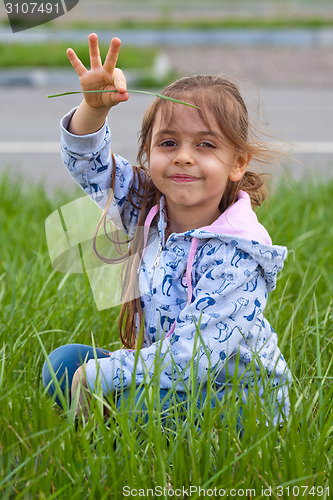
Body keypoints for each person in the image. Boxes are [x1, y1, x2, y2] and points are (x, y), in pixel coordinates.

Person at [42, 33, 291, 423]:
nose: (184, 158)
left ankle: (115, 421)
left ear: (238, 163)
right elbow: (89, 164)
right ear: (149, 154)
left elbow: (193, 360)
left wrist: (102, 374)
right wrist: (93, 109)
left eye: (206, 145)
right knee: (63, 364)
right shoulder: (145, 207)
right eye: (169, 143)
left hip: (238, 400)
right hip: (173, 377)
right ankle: (112, 414)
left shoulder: (237, 255)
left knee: (137, 406)